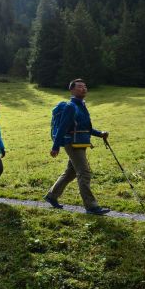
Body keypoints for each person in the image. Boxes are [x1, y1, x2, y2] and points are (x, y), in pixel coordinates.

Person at [45, 79, 110, 215]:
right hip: (72, 144)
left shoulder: (82, 105)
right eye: (80, 87)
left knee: (71, 172)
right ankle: (91, 206)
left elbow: (86, 127)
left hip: (81, 143)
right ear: (72, 90)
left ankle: (51, 196)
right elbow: (62, 127)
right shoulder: (71, 107)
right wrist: (55, 146)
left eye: (85, 86)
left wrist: (100, 134)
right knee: (84, 172)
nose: (84, 89)